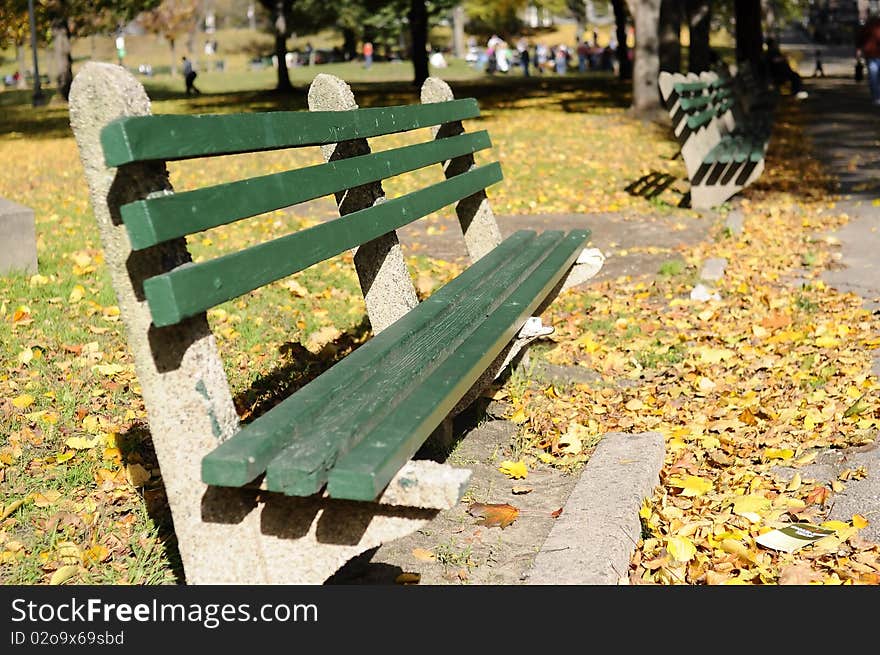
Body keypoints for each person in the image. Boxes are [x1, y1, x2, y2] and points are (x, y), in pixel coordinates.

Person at [857, 14, 880, 104]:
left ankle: (877, 96)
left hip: (872, 55)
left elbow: (860, 39)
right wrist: (858, 49)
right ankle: (876, 96)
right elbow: (860, 39)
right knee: (873, 77)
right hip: (871, 55)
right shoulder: (868, 27)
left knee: (874, 77)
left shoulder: (869, 26)